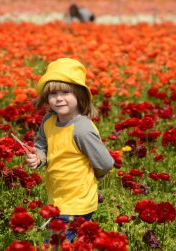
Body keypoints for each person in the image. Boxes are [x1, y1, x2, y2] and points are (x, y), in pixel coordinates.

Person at [26, 58, 114, 243]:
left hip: (77, 202)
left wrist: (92, 176)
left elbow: (105, 163)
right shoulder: (49, 120)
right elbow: (42, 145)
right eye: (53, 94)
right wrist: (39, 158)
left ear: (80, 96)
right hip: (58, 197)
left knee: (54, 244)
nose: (58, 98)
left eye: (65, 92)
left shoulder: (81, 129)